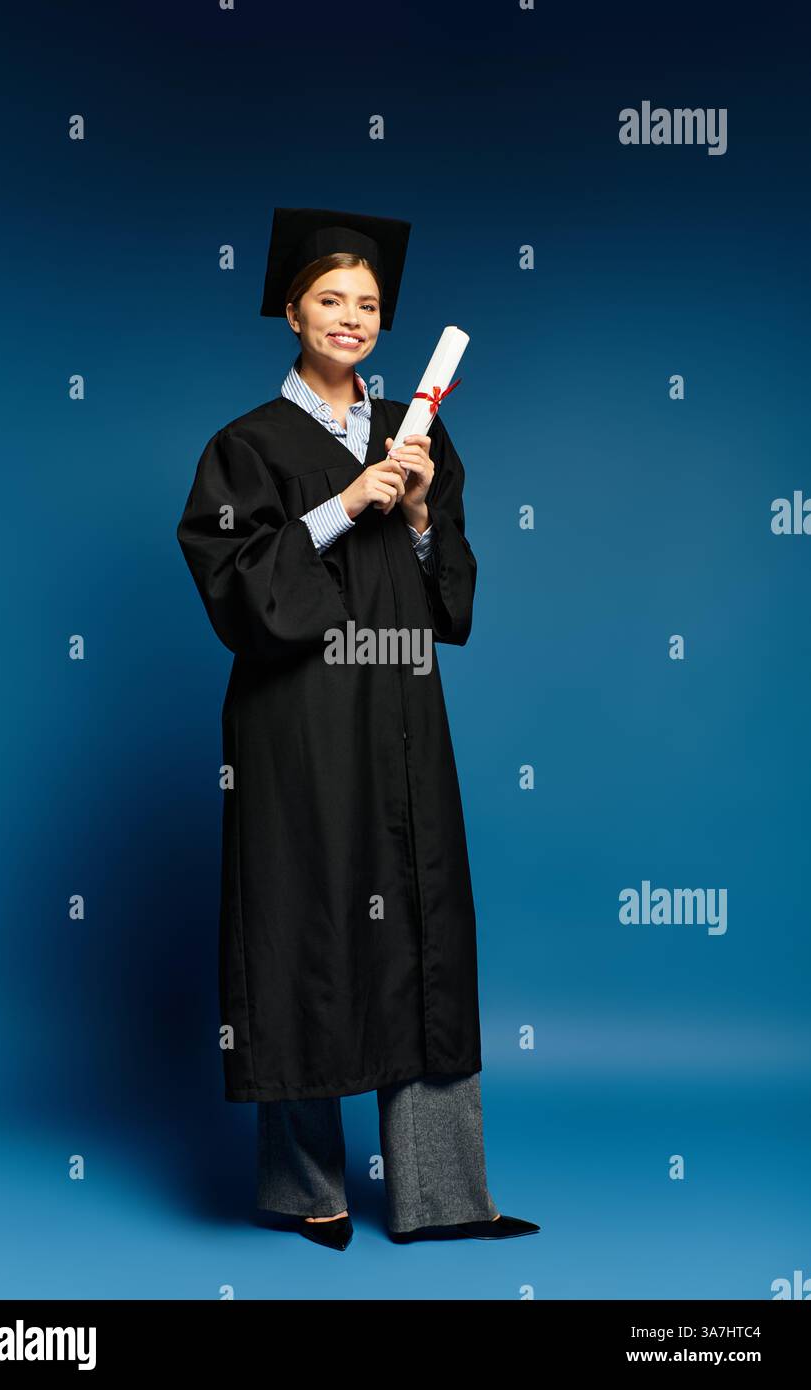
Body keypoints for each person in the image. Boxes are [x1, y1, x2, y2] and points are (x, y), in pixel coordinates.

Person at [176, 206, 540, 1250]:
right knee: (303, 921)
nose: (349, 317)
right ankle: (307, 1192)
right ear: (290, 309)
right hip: (294, 725)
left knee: (423, 926)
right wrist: (341, 505)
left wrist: (419, 511)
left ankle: (441, 1196)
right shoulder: (244, 445)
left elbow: (447, 605)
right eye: (328, 298)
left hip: (400, 710)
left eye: (367, 304)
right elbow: (238, 591)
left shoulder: (415, 433)